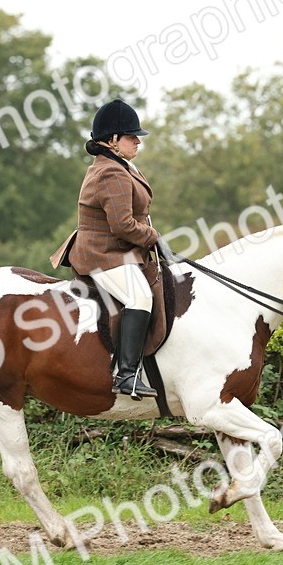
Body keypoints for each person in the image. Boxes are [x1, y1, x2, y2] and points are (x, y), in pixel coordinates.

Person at [50, 98, 160, 399]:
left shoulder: (120, 165)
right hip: (102, 253)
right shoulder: (111, 172)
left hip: (119, 250)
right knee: (140, 297)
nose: (138, 141)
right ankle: (126, 376)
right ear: (112, 140)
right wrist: (153, 237)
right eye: (131, 136)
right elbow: (123, 226)